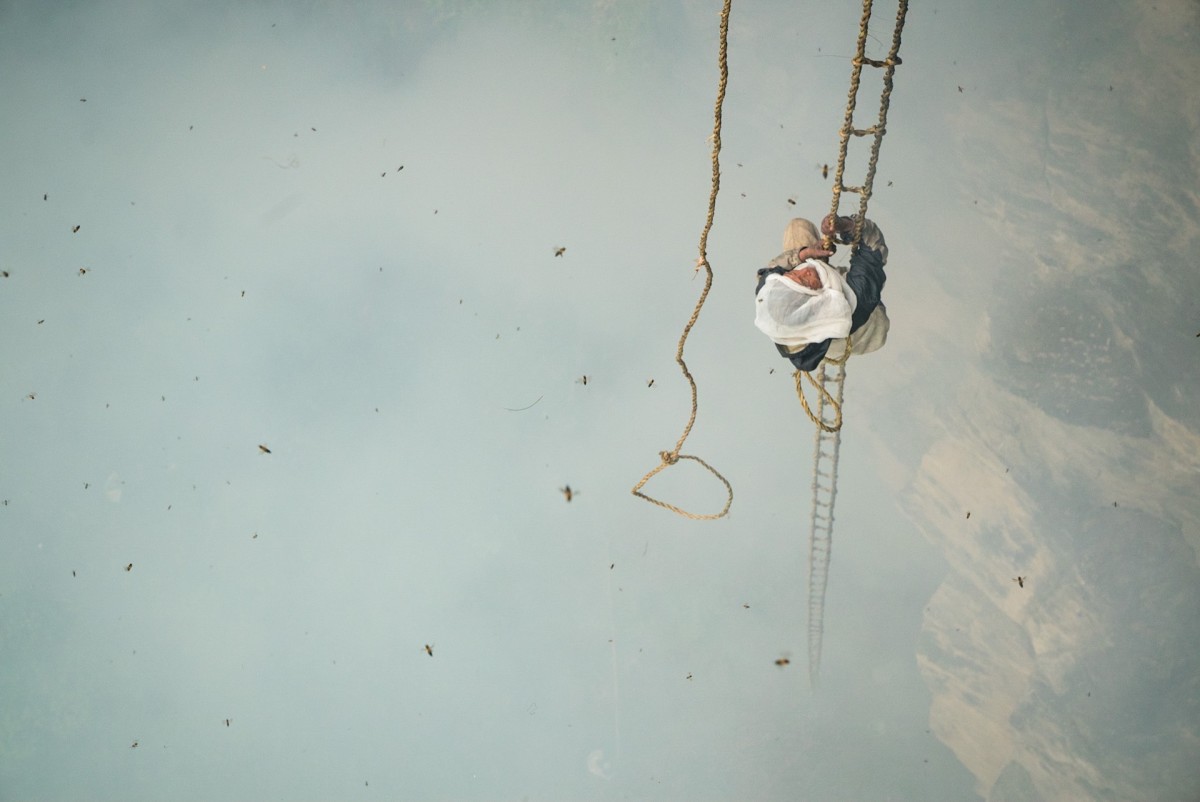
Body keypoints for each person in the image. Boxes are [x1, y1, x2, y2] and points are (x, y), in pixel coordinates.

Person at [754, 214, 890, 372]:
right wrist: (846, 226)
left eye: (792, 275)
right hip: (865, 322)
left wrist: (804, 254)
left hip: (815, 300)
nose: (805, 269)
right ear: (815, 302)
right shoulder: (855, 301)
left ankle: (813, 274)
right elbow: (873, 248)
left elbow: (769, 272)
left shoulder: (770, 292)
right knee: (876, 328)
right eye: (805, 281)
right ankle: (864, 329)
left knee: (797, 226)